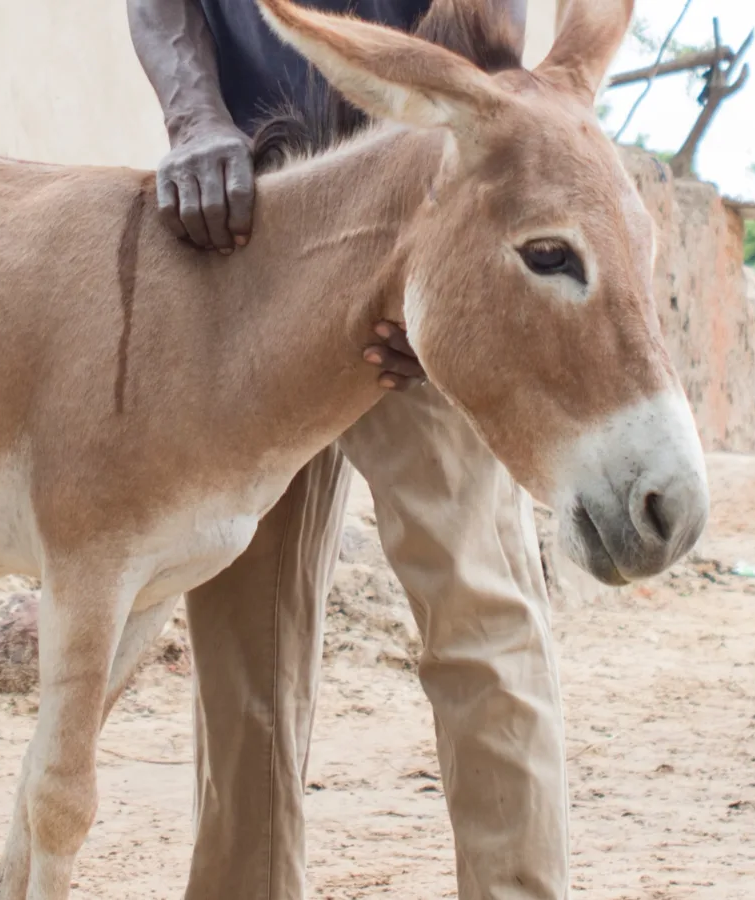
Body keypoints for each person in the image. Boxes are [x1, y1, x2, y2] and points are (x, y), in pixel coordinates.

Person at [126, 2, 570, 899]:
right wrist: (195, 118)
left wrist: (442, 267)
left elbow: (482, 43)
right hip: (254, 242)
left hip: (419, 238)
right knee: (242, 644)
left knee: (478, 612)